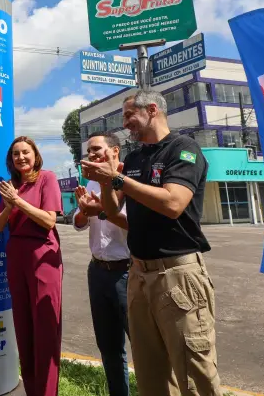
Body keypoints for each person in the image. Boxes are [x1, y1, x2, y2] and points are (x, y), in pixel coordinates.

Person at [82, 90, 220, 396]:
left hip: (178, 275)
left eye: (129, 115)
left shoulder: (184, 149)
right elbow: (114, 208)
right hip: (139, 274)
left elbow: (173, 203)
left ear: (152, 110)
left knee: (194, 374)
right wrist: (106, 181)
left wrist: (116, 179)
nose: (125, 123)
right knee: (150, 373)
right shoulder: (134, 158)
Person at [0, 136, 63, 396]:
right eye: (15, 154)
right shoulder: (10, 186)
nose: (20, 157)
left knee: (45, 326)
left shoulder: (47, 178)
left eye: (25, 152)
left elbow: (49, 221)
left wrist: (18, 202)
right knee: (23, 326)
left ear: (35, 155)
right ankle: (32, 389)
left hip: (42, 254)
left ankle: (47, 391)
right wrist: (9, 205)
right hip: (17, 254)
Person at [73, 132, 131, 396]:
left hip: (127, 273)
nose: (92, 155)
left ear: (115, 150)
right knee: (108, 347)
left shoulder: (129, 180)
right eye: (89, 152)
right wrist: (84, 210)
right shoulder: (93, 183)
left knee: (143, 346)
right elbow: (77, 223)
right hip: (97, 271)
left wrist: (103, 211)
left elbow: (134, 224)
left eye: (97, 149)